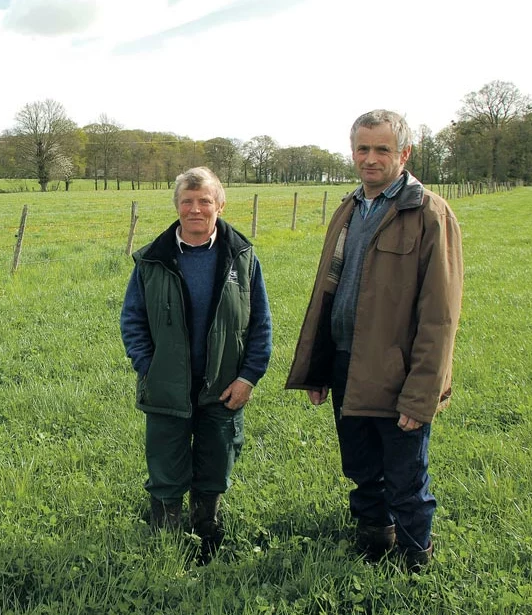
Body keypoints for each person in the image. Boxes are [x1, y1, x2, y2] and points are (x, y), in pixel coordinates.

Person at [284, 109, 463, 571]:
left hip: (397, 371)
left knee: (404, 476)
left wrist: (421, 392)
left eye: (382, 149)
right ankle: (372, 540)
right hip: (346, 362)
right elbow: (329, 293)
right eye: (362, 148)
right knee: (362, 467)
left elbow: (440, 316)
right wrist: (319, 367)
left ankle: (413, 559)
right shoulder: (348, 209)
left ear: (404, 153)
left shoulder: (428, 213)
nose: (370, 158)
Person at [121, 166, 272, 563]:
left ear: (219, 205)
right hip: (167, 384)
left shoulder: (242, 258)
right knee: (165, 460)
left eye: (204, 201)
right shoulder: (152, 261)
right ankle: (166, 530)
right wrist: (149, 367)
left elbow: (260, 323)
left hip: (223, 383)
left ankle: (207, 524)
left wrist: (248, 377)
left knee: (217, 458)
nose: (195, 209)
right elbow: (132, 320)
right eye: (187, 201)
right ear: (176, 205)